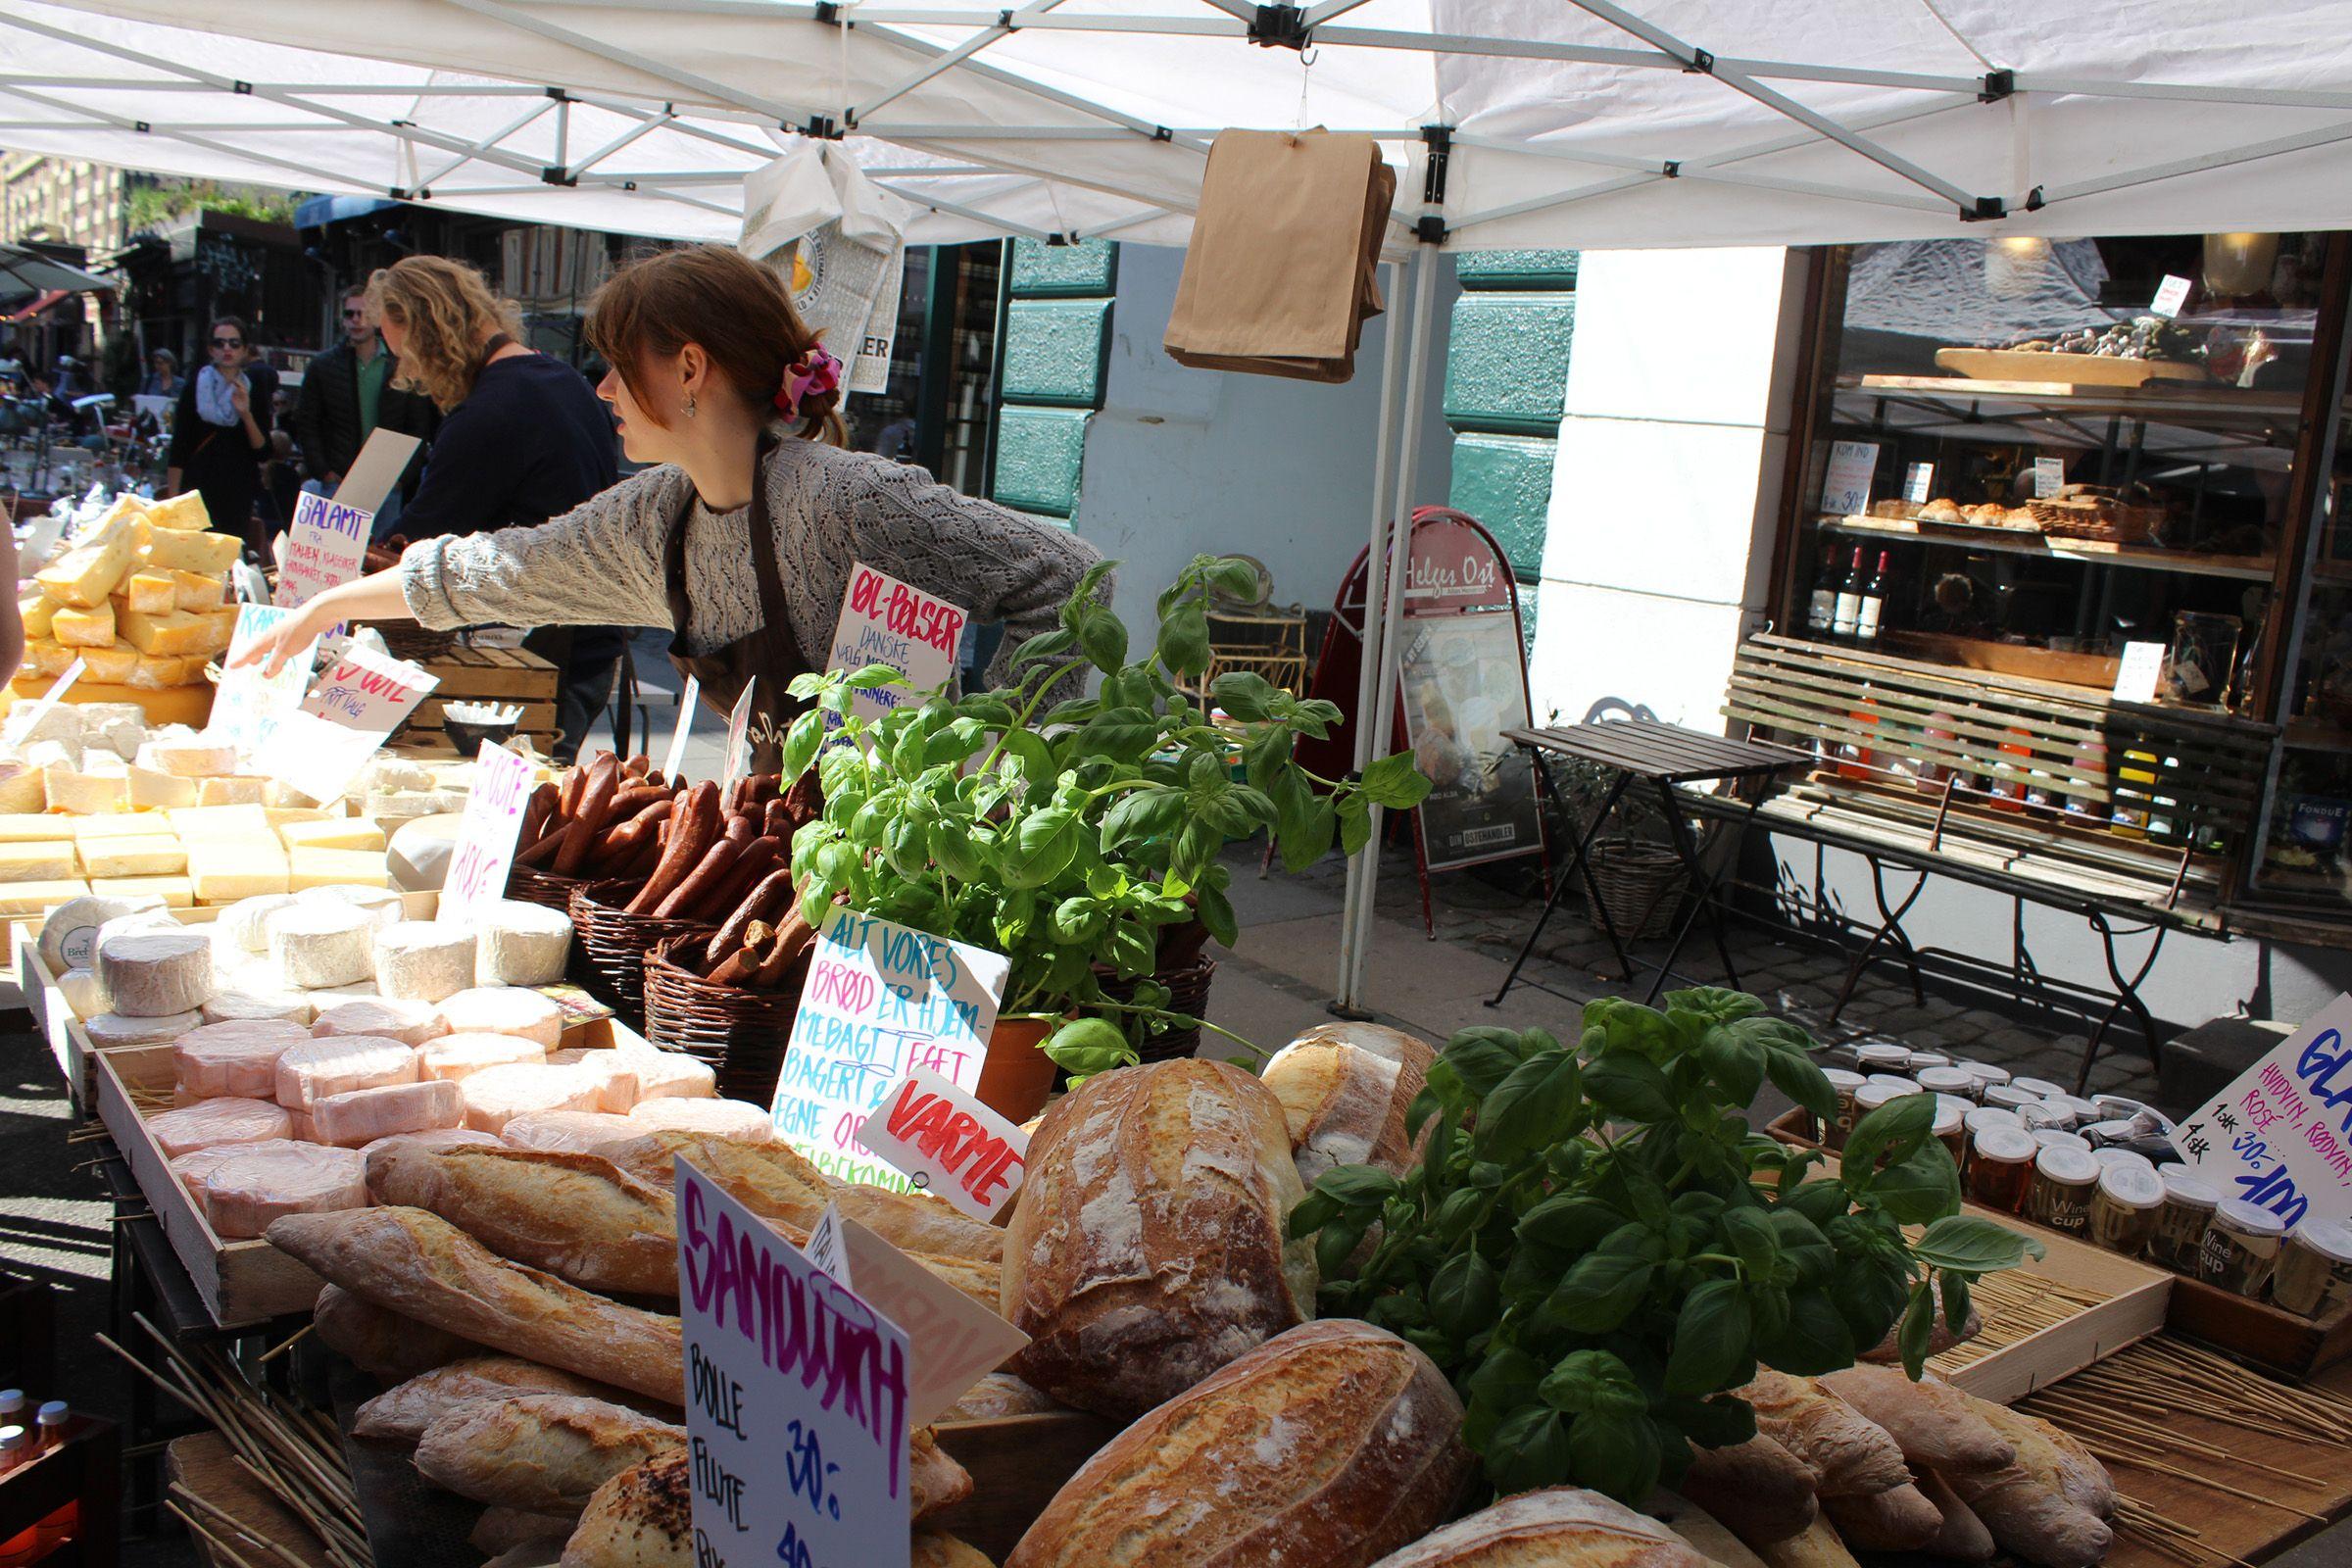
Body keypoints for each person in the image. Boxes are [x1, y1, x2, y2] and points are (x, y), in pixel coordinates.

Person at [237, 244, 1103, 761]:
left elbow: (1066, 577)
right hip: (802, 856)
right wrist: (327, 607)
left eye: (621, 364)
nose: (605, 388)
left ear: (689, 370)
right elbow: (499, 572)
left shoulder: (846, 498)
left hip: (919, 879)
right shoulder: (657, 515)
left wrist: (1004, 765)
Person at [355, 256, 621, 760]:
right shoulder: (563, 381)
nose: (409, 374)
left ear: (430, 335)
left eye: (405, 356)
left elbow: (414, 551)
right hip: (585, 645)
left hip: (537, 658)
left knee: (514, 820)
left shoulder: (488, 415)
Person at [294, 283, 437, 526]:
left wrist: (403, 476)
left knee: (381, 559)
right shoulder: (323, 366)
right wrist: (323, 470)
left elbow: (418, 426)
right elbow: (307, 422)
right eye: (350, 314)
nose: (357, 320)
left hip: (387, 481)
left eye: (364, 313)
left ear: (377, 318)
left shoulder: (402, 365)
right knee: (338, 556)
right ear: (343, 319)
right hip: (339, 479)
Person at [166, 316, 279, 555]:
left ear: (245, 349)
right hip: (198, 487)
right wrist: (172, 501)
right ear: (210, 349)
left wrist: (245, 413)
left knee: (227, 560)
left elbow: (263, 450)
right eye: (220, 343)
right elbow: (180, 446)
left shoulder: (253, 386)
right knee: (193, 558)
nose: (227, 349)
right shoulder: (196, 385)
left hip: (238, 490)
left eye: (234, 343)